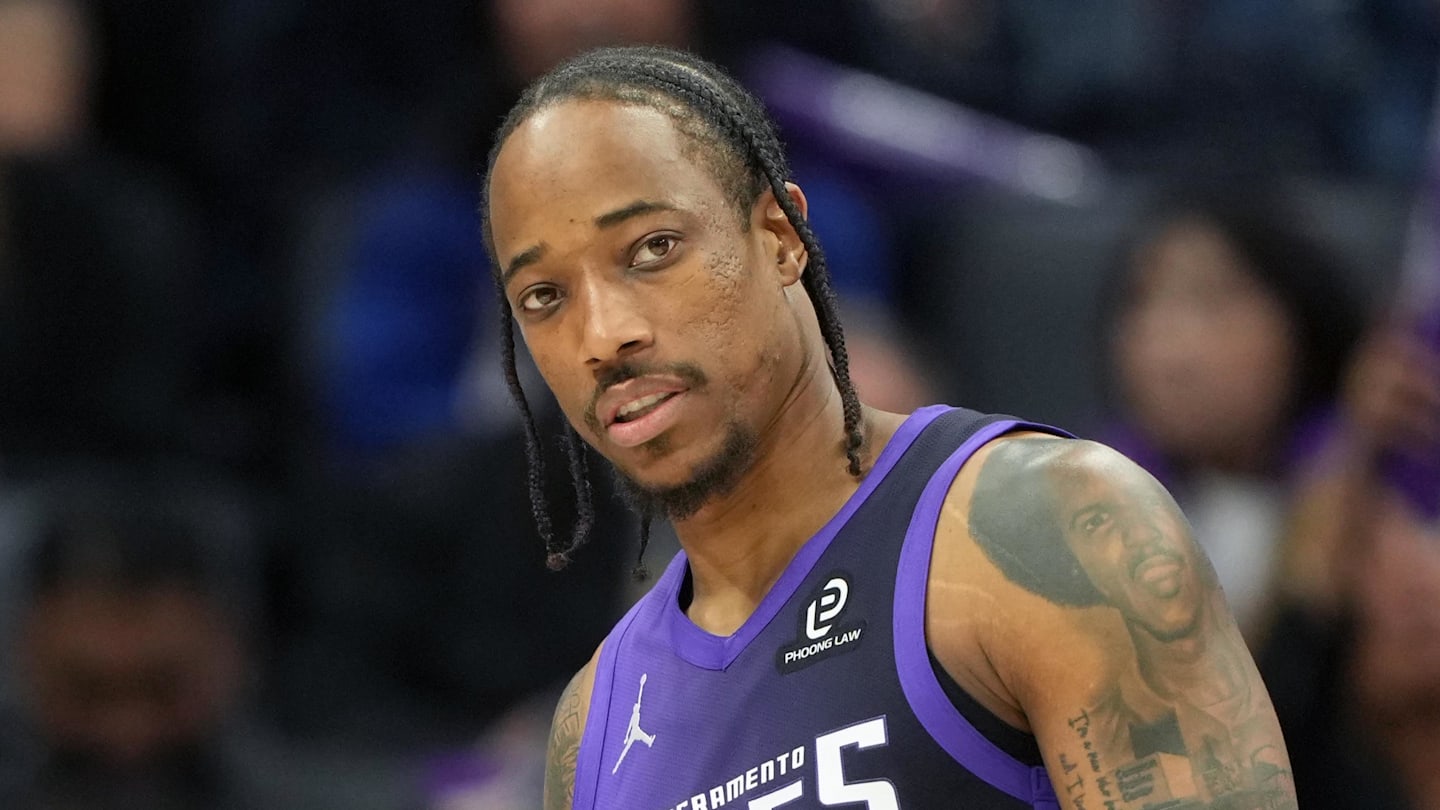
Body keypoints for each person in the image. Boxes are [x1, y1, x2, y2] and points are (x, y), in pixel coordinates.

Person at [479, 45, 1296, 810]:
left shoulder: (1043, 530)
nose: (601, 337)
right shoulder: (593, 727)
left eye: (653, 249)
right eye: (544, 297)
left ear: (780, 237)